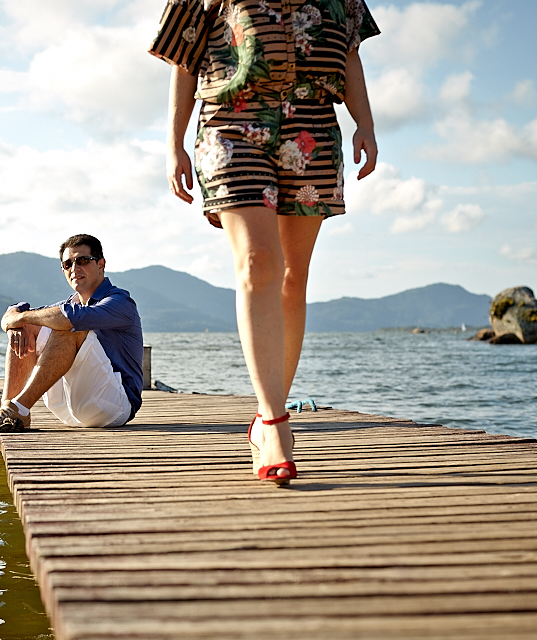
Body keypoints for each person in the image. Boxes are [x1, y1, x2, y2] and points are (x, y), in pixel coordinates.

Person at [148, 0, 380, 484]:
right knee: (257, 262)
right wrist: (172, 145)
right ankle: (275, 423)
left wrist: (366, 123)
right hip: (230, 121)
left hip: (312, 124)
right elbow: (183, 58)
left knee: (292, 281)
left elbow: (351, 53)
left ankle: (263, 414)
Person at [0, 234, 144, 436]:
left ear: (101, 264)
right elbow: (11, 315)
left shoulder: (120, 302)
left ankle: (19, 409)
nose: (74, 269)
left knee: (67, 325)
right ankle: (6, 409)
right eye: (67, 264)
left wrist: (19, 318)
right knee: (29, 327)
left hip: (114, 407)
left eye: (82, 261)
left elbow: (68, 318)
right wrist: (16, 324)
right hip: (67, 408)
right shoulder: (70, 304)